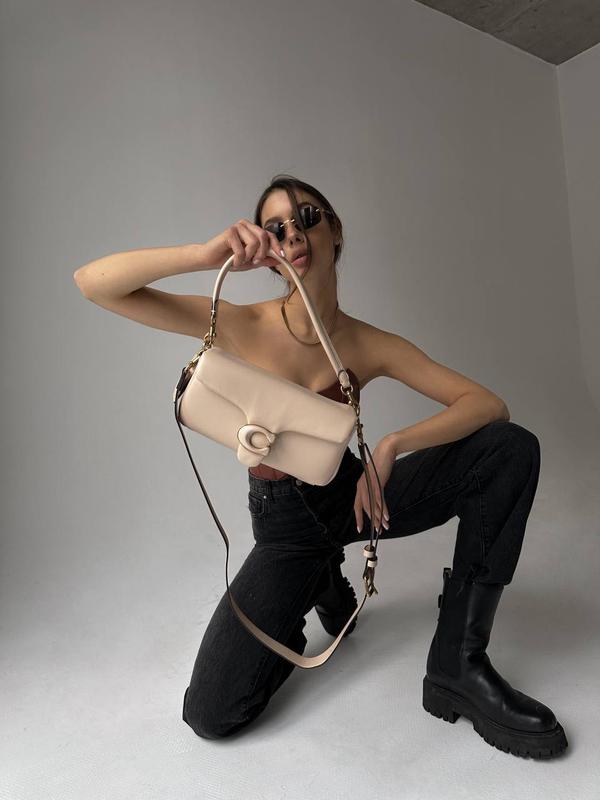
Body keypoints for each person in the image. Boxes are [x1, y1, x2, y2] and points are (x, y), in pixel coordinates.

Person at [73, 173, 568, 759]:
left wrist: (391, 446)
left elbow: (487, 405)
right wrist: (204, 255)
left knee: (509, 448)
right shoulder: (241, 323)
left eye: (307, 217)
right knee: (210, 713)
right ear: (267, 251)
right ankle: (319, 582)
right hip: (285, 528)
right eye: (276, 227)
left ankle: (458, 663)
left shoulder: (368, 343)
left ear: (335, 230)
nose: (294, 233)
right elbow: (94, 285)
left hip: (355, 495)